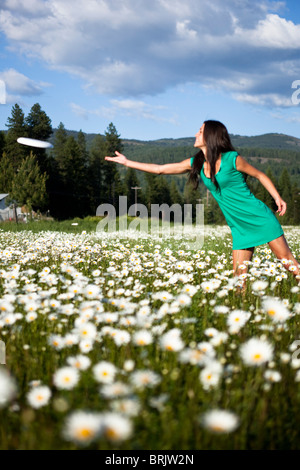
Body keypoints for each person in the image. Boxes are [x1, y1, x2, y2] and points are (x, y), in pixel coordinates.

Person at [105, 120, 300, 283]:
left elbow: (260, 175)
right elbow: (160, 169)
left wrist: (277, 197)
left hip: (259, 218)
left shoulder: (232, 159)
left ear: (210, 137)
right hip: (239, 227)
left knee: (287, 262)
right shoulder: (196, 163)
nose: (196, 134)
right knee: (239, 278)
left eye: (200, 131)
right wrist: (127, 162)